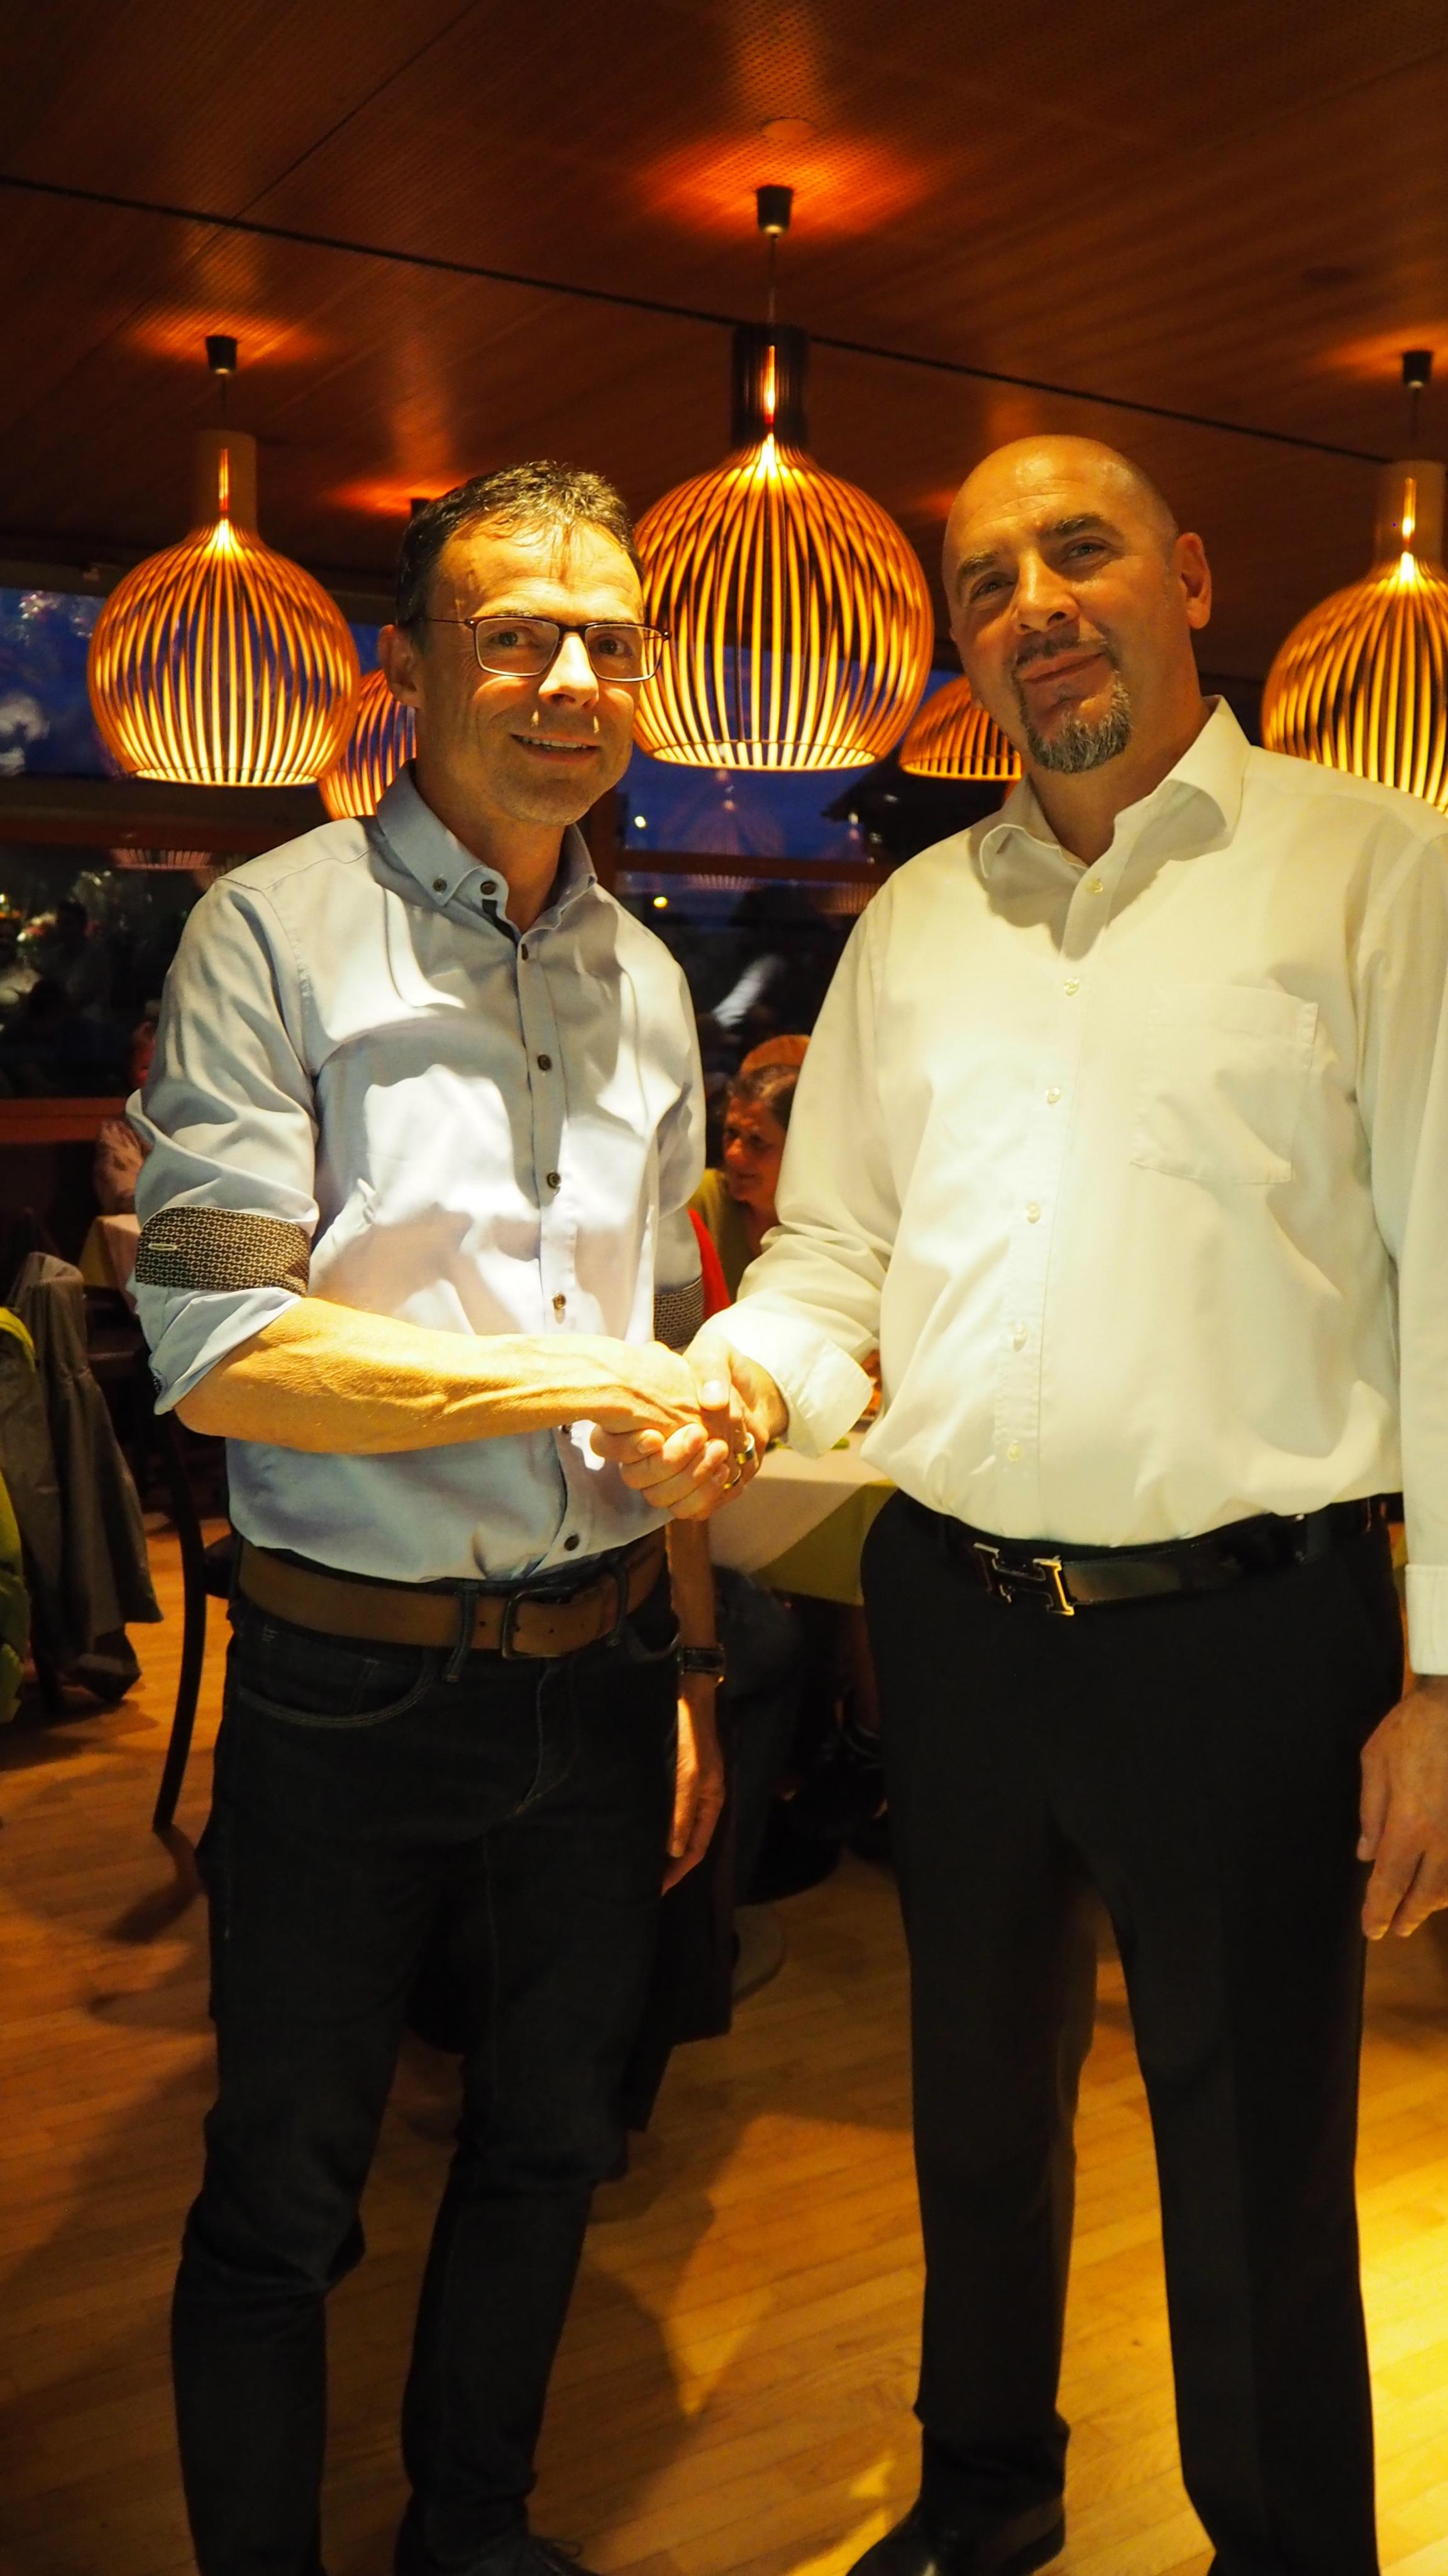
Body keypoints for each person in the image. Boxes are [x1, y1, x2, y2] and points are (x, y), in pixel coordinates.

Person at [601, 434, 1448, 2576]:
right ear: (960, 650)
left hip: (1251, 1636)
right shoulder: (914, 922)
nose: (1031, 606)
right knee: (971, 2112)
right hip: (956, 1616)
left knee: (1249, 2156)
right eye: (985, 582)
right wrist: (749, 1378)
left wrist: (1445, 1673)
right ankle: (983, 2500)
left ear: (1190, 576)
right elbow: (834, 1251)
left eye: (1076, 553)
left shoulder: (1375, 871)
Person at [130, 460, 753, 2576]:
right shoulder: (270, 929)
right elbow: (219, 1340)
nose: (570, 677)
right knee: (283, 2191)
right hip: (349, 1686)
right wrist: (583, 1387)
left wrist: (688, 1663)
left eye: (609, 639)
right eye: (515, 632)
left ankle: (469, 2533)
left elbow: (661, 1344)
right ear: (413, 663)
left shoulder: (647, 979)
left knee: (552, 2140)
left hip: (601, 1680)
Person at [692, 1057, 800, 1297]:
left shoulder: (828, 1224)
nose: (733, 1154)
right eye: (731, 1133)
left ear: (800, 1147)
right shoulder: (701, 1200)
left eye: (757, 1141)